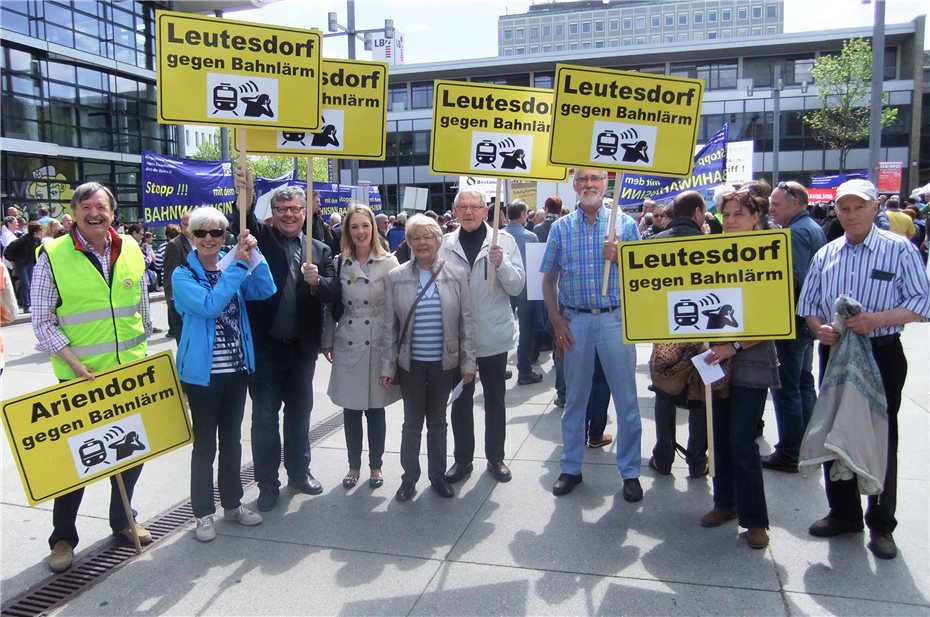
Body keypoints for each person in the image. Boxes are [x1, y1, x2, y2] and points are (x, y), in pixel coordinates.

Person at [798, 178, 930, 560]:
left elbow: (920, 303)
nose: (851, 214)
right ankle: (843, 513)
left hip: (881, 351)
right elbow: (809, 304)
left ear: (875, 208)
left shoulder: (898, 249)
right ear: (835, 211)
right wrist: (818, 328)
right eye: (844, 208)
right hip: (836, 354)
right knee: (833, 426)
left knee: (879, 434)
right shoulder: (827, 254)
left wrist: (878, 319)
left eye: (858, 207)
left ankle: (882, 524)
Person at [30, 182, 153, 572]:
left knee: (130, 453)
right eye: (85, 207)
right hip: (80, 383)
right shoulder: (53, 255)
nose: (94, 212)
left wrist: (143, 352)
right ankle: (63, 538)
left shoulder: (130, 249)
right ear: (74, 214)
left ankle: (123, 519)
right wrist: (75, 363)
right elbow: (41, 322)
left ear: (112, 212)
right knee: (75, 464)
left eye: (100, 206)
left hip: (128, 379)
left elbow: (141, 306)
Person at [234, 173, 340, 512]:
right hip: (265, 348)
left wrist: (318, 282)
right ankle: (267, 483)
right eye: (281, 209)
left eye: (294, 208)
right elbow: (243, 219)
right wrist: (245, 195)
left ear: (305, 211)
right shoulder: (261, 240)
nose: (288, 214)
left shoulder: (320, 248)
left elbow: (335, 292)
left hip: (302, 348)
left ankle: (299, 472)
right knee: (264, 417)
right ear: (273, 213)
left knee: (299, 414)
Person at [172, 206, 276, 542]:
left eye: (217, 232)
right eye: (201, 232)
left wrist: (254, 254)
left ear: (225, 236)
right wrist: (239, 265)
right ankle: (203, 514)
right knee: (205, 446)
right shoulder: (182, 274)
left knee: (232, 441)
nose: (209, 238)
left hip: (236, 370)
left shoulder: (232, 266)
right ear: (191, 235)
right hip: (203, 376)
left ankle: (232, 504)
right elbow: (208, 305)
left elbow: (264, 289)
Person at [541, 169, 644, 502]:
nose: (589, 185)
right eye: (583, 180)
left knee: (626, 401)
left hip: (615, 321)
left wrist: (622, 260)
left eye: (595, 180)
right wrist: (556, 320)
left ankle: (629, 472)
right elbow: (548, 280)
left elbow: (642, 276)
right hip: (576, 323)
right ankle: (571, 467)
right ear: (575, 185)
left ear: (605, 184)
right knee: (575, 400)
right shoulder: (561, 228)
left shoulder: (624, 225)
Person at [699, 187, 780, 550]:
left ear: (755, 219)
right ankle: (724, 503)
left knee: (741, 440)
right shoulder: (711, 253)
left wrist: (731, 347)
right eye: (726, 215)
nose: (730, 221)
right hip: (716, 360)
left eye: (738, 215)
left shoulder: (768, 255)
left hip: (750, 359)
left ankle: (756, 520)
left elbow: (773, 319)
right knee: (718, 435)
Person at [381, 215, 476, 501]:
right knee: (411, 423)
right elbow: (389, 325)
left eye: (428, 237)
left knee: (437, 421)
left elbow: (466, 322)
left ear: (438, 240)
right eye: (415, 237)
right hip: (410, 364)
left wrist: (469, 363)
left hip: (443, 364)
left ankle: (437, 475)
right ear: (408, 242)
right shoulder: (396, 277)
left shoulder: (457, 273)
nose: (422, 242)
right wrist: (387, 366)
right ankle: (409, 478)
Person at [441, 190, 525, 486]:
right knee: (460, 402)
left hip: (493, 335)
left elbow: (517, 287)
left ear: (486, 209)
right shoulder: (445, 245)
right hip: (457, 338)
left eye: (474, 207)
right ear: (454, 210)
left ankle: (495, 457)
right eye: (462, 207)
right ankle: (463, 459)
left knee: (495, 399)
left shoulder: (505, 242)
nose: (468, 212)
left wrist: (501, 263)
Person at [322, 204, 400, 490]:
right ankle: (353, 465)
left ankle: (376, 465)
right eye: (354, 227)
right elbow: (333, 305)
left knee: (376, 409)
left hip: (379, 340)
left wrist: (393, 353)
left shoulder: (389, 262)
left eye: (365, 225)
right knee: (351, 410)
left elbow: (395, 310)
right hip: (349, 341)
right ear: (347, 231)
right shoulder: (339, 263)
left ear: (374, 228)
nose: (360, 232)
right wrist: (328, 339)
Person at [761, 181, 827, 473]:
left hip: (793, 321)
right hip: (806, 321)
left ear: (796, 202)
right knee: (802, 383)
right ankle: (805, 446)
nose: (771, 209)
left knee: (787, 388)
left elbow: (795, 279)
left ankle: (789, 452)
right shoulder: (810, 227)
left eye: (776, 204)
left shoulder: (796, 232)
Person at [647, 191, 710, 477]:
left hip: (665, 330)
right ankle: (697, 460)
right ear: (698, 213)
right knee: (700, 392)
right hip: (704, 331)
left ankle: (663, 457)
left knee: (664, 394)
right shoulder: (709, 244)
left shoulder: (654, 243)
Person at [504, 199, 542, 385]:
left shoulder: (500, 235)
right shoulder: (530, 236)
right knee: (526, 330)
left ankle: (500, 368)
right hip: (526, 288)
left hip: (504, 288)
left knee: (502, 327)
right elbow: (535, 266)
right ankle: (524, 371)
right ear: (522, 215)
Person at [163, 211, 193, 340]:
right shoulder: (174, 245)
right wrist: (172, 305)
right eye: (187, 225)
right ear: (181, 226)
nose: (190, 228)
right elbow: (169, 277)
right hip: (181, 303)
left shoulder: (199, 242)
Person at [5, 222, 43, 312]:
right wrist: (12, 260)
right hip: (22, 264)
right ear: (35, 231)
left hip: (31, 263)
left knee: (31, 284)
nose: (42, 231)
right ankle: (26, 306)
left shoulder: (37, 240)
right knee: (25, 284)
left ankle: (30, 303)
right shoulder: (23, 239)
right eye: (40, 229)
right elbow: (8, 249)